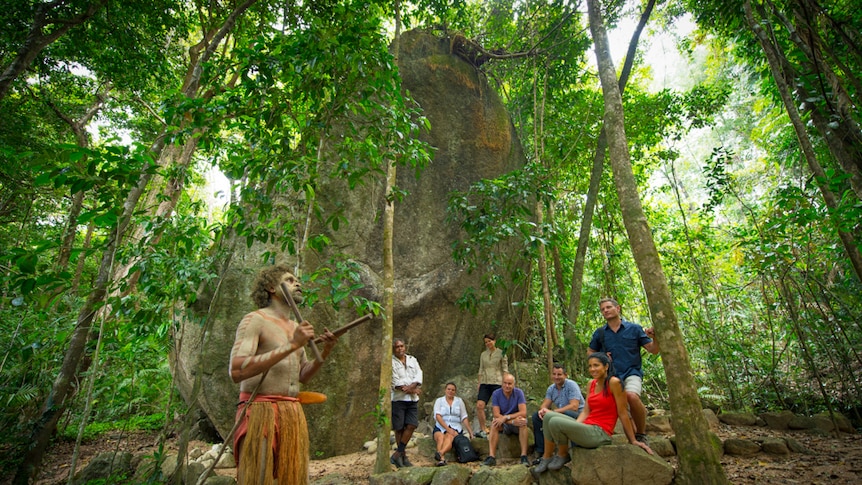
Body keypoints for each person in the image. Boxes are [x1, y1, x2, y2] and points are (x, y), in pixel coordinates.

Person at [229, 265, 338, 485]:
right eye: (289, 280)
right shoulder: (255, 320)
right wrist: (292, 345)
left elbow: (303, 375)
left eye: (297, 280)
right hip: (260, 411)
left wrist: (325, 351)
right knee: (258, 479)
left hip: (291, 412)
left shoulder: (295, 327)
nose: (297, 283)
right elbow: (237, 370)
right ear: (271, 287)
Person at [533, 353, 653, 474]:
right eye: (590, 366)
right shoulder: (591, 383)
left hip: (601, 433)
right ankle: (546, 457)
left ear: (606, 366)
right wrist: (574, 427)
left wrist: (633, 440)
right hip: (587, 427)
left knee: (555, 422)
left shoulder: (614, 383)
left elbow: (622, 413)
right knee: (548, 416)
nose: (592, 369)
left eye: (596, 365)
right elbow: (586, 411)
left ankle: (562, 454)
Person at [587, 297, 659, 442]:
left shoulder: (634, 329)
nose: (605, 311)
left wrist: (655, 337)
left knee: (632, 396)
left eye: (608, 307)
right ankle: (633, 438)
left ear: (617, 308)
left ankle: (641, 433)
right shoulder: (600, 333)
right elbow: (590, 352)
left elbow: (653, 349)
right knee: (620, 406)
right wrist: (600, 356)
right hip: (612, 376)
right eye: (602, 309)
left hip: (632, 372)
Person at [531, 364, 584, 463]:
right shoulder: (551, 388)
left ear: (565, 375)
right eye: (554, 374)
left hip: (577, 415)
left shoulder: (571, 385)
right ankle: (541, 451)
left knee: (567, 413)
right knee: (536, 417)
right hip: (561, 414)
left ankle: (572, 453)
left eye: (559, 374)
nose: (556, 377)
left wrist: (552, 412)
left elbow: (574, 406)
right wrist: (542, 411)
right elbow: (544, 405)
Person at [482, 372, 530, 467]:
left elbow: (523, 412)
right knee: (494, 423)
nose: (507, 386)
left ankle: (524, 456)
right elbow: (496, 414)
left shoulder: (519, 393)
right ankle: (492, 456)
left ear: (513, 384)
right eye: (505, 383)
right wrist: (510, 421)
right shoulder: (496, 393)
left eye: (509, 383)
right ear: (502, 383)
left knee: (522, 422)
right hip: (505, 423)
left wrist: (507, 417)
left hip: (515, 421)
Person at [391, 338, 423, 468]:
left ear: (405, 347)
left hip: (412, 400)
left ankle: (397, 454)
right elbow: (395, 382)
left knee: (412, 425)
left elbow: (418, 374)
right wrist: (413, 390)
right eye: (397, 347)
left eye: (401, 346)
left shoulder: (412, 360)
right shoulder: (391, 363)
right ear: (394, 349)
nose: (400, 349)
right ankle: (402, 457)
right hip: (398, 399)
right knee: (399, 428)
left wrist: (413, 387)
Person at [432, 382, 474, 466]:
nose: (450, 391)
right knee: (440, 437)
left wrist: (470, 433)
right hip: (441, 426)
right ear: (445, 390)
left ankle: (440, 453)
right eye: (449, 389)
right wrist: (447, 429)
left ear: (455, 391)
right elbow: (438, 416)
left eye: (453, 390)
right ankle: (442, 459)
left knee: (449, 436)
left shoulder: (459, 401)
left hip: (455, 427)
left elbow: (464, 417)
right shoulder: (439, 401)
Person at [476, 332, 508, 438]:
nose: (488, 343)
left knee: (498, 407)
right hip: (485, 382)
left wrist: (505, 383)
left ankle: (500, 427)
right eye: (486, 342)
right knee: (480, 405)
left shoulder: (501, 353)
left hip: (497, 382)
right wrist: (479, 382)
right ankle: (483, 429)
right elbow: (481, 368)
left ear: (494, 341)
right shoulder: (483, 354)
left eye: (489, 341)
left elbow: (505, 369)